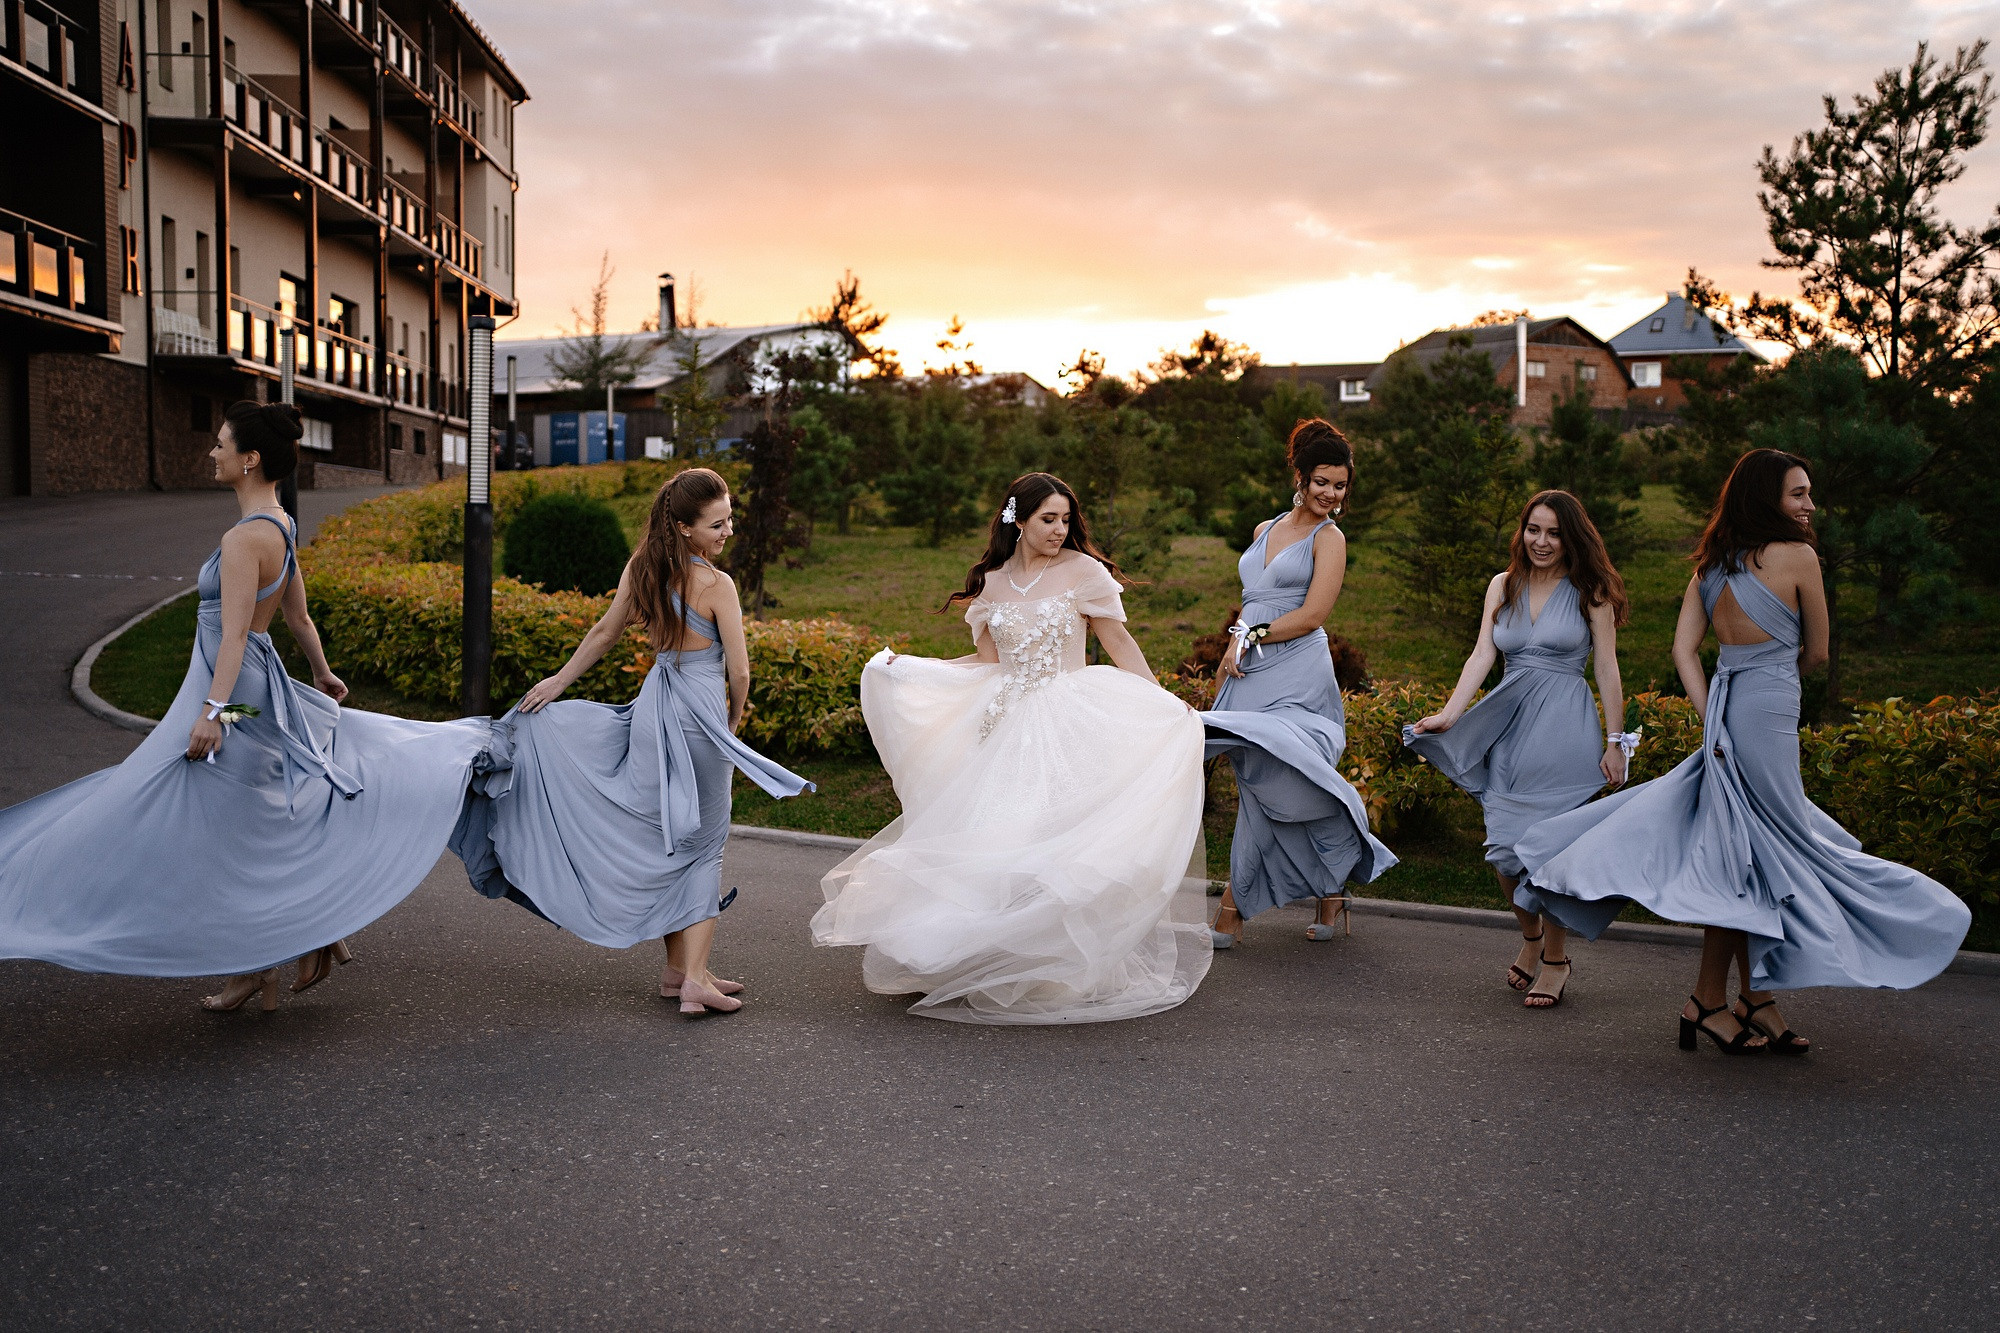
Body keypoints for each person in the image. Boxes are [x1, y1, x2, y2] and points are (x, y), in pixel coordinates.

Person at [0, 400, 490, 1011]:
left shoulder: (242, 540)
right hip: (254, 692)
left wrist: (212, 713)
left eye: (221, 443)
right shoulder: (281, 525)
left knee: (169, 804)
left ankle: (268, 947)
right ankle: (297, 940)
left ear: (250, 459)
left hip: (234, 696)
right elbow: (298, 617)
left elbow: (234, 636)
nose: (213, 452)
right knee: (232, 815)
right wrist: (322, 670)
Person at [1515, 449, 1972, 1053]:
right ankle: (1717, 999)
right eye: (1799, 494)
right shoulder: (1800, 557)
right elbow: (1819, 654)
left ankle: (1752, 999)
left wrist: (1713, 723)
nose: (1811, 506)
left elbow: (1683, 653)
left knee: (1743, 855)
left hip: (1727, 715)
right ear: (1768, 500)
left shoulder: (1710, 567)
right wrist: (1775, 675)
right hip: (1770, 714)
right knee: (1756, 856)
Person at [811, 472, 1209, 1023]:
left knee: (1055, 844)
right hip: (1004, 725)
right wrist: (914, 670)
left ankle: (1051, 963)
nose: (1059, 529)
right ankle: (981, 956)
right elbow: (987, 664)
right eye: (1048, 519)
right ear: (1017, 520)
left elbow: (1118, 641)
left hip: (1068, 721)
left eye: (1066, 519)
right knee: (994, 840)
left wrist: (1162, 701)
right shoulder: (992, 584)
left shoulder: (1084, 572)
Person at [451, 467, 810, 1017]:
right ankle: (694, 980)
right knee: (705, 840)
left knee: (671, 832)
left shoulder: (643, 568)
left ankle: (679, 970)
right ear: (687, 528)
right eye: (717, 523)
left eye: (729, 519)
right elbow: (739, 672)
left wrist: (558, 681)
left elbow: (603, 632)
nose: (728, 532)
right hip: (697, 715)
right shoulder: (718, 585)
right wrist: (732, 727)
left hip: (654, 709)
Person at [1404, 491, 1635, 1008]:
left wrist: (1615, 742)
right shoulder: (1502, 585)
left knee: (1548, 851)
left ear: (1570, 537)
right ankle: (1531, 938)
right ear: (1522, 531)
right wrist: (1450, 713)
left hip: (1564, 729)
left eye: (1554, 532)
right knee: (1505, 853)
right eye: (1534, 530)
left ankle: (1555, 958)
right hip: (1509, 728)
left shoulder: (1589, 590)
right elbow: (1483, 652)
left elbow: (1606, 668)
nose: (1542, 542)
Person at [1204, 420, 1396, 949]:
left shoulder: (1329, 539)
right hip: (1249, 667)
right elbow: (1253, 600)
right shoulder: (1264, 529)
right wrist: (1232, 647)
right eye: (1322, 483)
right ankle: (1331, 888)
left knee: (1278, 777)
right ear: (1301, 477)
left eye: (1340, 486)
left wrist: (1252, 635)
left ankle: (1232, 907)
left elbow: (1313, 615)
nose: (1331, 495)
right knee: (1257, 782)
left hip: (1295, 672)